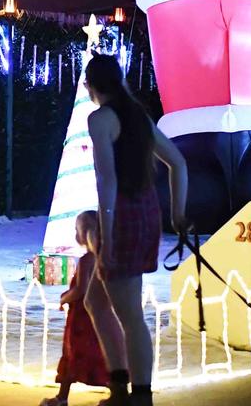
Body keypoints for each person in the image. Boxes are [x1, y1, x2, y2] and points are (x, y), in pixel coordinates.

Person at [83, 54, 188, 406]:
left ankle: (139, 396)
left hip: (122, 217)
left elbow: (106, 181)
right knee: (96, 300)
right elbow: (177, 162)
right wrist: (178, 214)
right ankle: (120, 387)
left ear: (91, 86)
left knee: (130, 315)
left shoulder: (100, 119)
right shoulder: (138, 118)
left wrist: (107, 236)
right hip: (147, 213)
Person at [40, 211, 118, 406]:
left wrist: (64, 298)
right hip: (99, 316)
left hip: (81, 319)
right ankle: (116, 392)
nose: (76, 233)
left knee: (73, 353)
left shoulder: (86, 260)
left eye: (77, 229)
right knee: (100, 353)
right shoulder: (106, 257)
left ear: (86, 233)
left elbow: (81, 290)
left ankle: (62, 398)